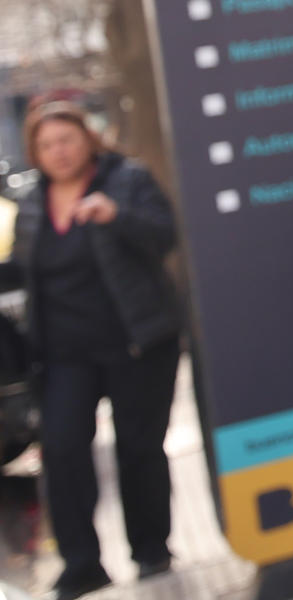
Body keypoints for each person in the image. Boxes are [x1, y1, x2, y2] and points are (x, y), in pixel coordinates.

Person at [13, 102, 180, 600]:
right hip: (65, 355)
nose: (58, 152)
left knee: (138, 449)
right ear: (35, 154)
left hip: (135, 343)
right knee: (62, 451)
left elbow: (165, 236)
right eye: (46, 145)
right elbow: (25, 275)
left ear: (88, 139)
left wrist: (117, 216)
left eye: (66, 140)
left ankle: (151, 549)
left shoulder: (126, 179)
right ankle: (82, 563)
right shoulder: (32, 203)